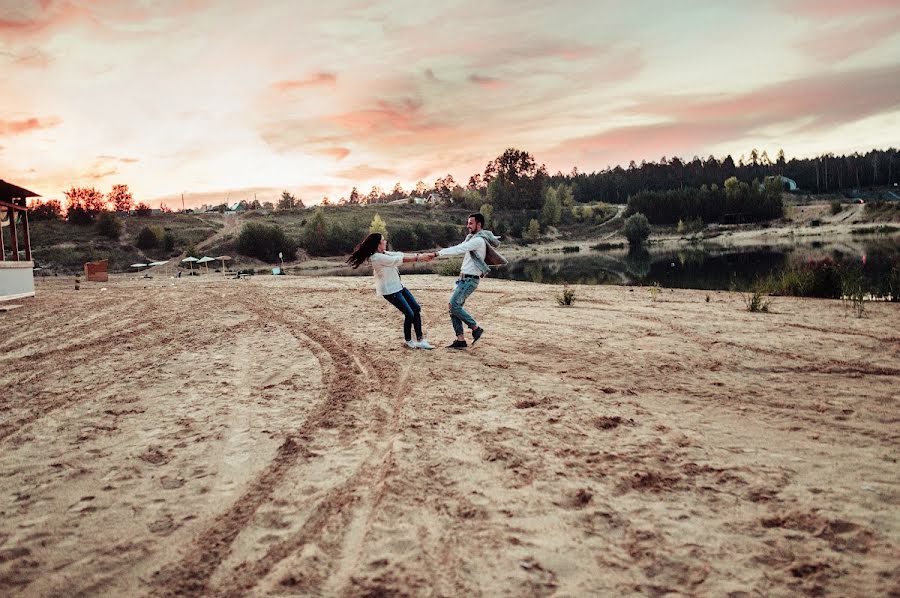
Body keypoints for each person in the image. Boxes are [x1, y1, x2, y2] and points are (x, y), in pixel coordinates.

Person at [426, 212, 505, 349]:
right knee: (453, 308)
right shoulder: (472, 239)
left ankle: (475, 328)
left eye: (471, 223)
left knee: (454, 305)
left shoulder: (478, 241)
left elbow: (459, 249)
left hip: (469, 280)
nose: (468, 226)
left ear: (479, 224)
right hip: (464, 279)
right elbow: (460, 246)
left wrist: (437, 253)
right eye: (468, 223)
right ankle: (460, 340)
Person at [346, 232, 435, 350]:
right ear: (377, 244)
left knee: (416, 309)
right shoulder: (377, 257)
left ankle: (420, 340)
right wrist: (420, 258)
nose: (385, 242)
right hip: (390, 291)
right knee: (409, 313)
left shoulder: (384, 253)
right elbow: (399, 259)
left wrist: (420, 255)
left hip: (399, 286)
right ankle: (408, 340)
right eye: (383, 240)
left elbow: (399, 254)